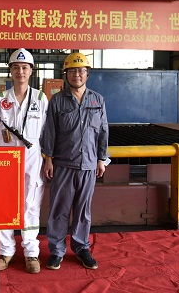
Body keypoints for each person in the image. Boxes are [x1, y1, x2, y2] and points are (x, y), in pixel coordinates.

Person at [40, 52, 110, 271]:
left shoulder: (98, 100)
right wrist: (48, 159)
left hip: (88, 165)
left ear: (87, 74)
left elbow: (103, 131)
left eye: (81, 71)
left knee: (83, 211)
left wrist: (101, 159)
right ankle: (56, 250)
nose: (76, 75)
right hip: (63, 164)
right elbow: (50, 132)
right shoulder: (57, 101)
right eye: (72, 71)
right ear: (66, 74)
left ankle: (81, 247)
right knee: (59, 210)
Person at [0, 48, 48, 274]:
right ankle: (6, 251)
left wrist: (48, 159)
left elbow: (47, 133)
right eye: (16, 67)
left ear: (31, 71)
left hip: (33, 160)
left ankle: (31, 253)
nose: (20, 72)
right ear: (10, 71)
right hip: (6, 160)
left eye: (24, 68)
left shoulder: (41, 99)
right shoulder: (0, 99)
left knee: (31, 205)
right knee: (6, 204)